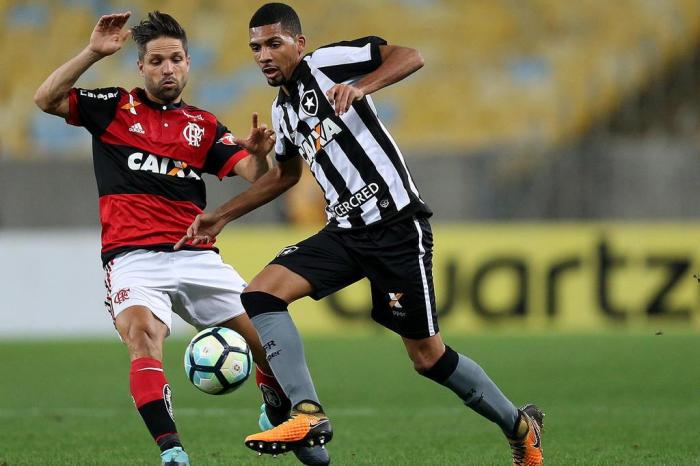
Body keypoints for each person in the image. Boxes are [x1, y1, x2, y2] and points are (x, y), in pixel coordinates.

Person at [176, 3, 545, 465]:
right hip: (345, 232)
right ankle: (307, 412)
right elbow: (285, 177)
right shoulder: (282, 111)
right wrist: (222, 215)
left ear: (299, 43)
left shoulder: (327, 64)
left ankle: (520, 426)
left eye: (274, 43)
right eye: (256, 48)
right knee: (261, 295)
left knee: (428, 357)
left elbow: (411, 55)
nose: (264, 55)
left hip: (395, 226)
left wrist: (360, 87)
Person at [33, 10, 329, 466]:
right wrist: (93, 51)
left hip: (195, 254)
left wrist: (259, 156)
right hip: (132, 257)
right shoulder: (113, 106)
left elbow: (257, 176)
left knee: (264, 334)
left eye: (174, 59)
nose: (166, 69)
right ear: (141, 67)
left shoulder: (203, 126)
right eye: (156, 61)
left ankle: (276, 410)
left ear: (188, 63)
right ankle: (172, 451)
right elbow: (46, 98)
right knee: (142, 335)